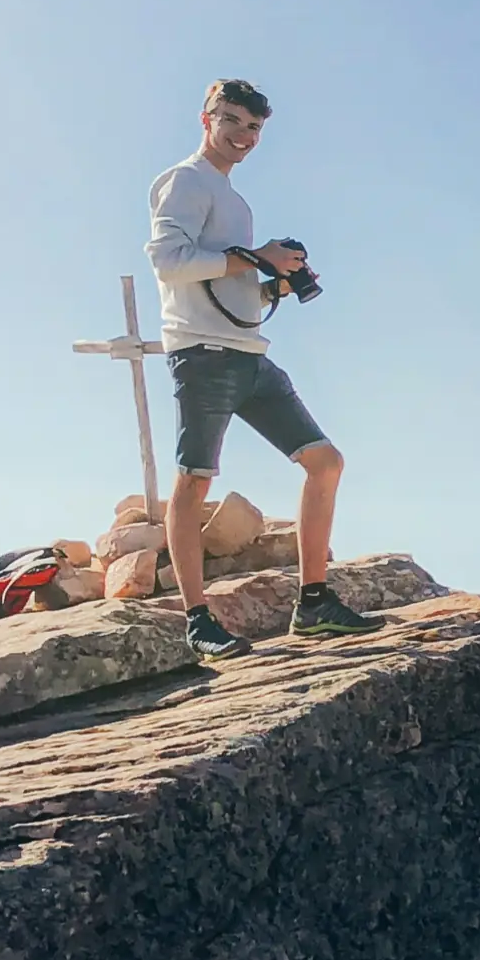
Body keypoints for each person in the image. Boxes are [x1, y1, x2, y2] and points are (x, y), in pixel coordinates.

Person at [146, 78, 381, 661]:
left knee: (325, 462)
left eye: (253, 127)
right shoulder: (185, 180)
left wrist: (272, 282)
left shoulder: (236, 202)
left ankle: (316, 603)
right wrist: (255, 259)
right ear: (206, 120)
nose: (243, 136)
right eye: (232, 121)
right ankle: (197, 620)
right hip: (201, 353)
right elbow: (168, 262)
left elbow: (228, 287)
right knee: (195, 479)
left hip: (249, 354)